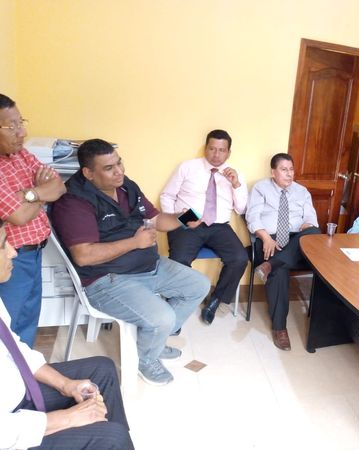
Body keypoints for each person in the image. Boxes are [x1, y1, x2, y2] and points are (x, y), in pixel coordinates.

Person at [51, 139, 211, 386]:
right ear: (88, 173)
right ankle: (144, 360)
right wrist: (135, 243)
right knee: (163, 317)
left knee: (198, 285)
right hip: (107, 280)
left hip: (149, 266)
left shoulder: (126, 186)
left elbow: (155, 220)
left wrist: (183, 217)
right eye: (109, 168)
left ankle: (154, 343)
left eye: (119, 163)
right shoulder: (73, 202)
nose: (119, 171)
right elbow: (84, 255)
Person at [0, 218, 134, 450]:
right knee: (113, 438)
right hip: (10, 431)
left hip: (14, 392)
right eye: (3, 245)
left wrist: (66, 385)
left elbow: (14, 349)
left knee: (102, 369)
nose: (13, 252)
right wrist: (67, 418)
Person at [160, 129, 248, 325]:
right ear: (205, 148)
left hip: (219, 224)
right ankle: (178, 304)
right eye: (212, 149)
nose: (216, 155)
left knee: (239, 258)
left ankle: (215, 300)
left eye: (221, 150)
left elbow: (241, 209)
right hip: (189, 219)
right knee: (179, 259)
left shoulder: (234, 174)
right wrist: (175, 220)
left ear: (228, 153)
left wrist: (236, 184)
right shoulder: (187, 167)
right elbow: (167, 196)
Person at [0, 93, 66, 346]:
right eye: (12, 126)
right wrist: (40, 192)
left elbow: (58, 186)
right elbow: (18, 216)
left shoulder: (21, 155)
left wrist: (29, 195)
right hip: (12, 259)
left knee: (27, 322)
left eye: (21, 122)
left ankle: (26, 368)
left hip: (35, 252)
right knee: (9, 327)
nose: (22, 132)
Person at [246, 153, 320, 350]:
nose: (289, 174)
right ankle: (279, 328)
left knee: (315, 232)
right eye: (284, 170)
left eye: (291, 169)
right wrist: (265, 237)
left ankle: (270, 265)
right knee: (279, 271)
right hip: (269, 240)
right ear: (273, 172)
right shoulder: (261, 188)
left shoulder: (302, 191)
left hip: (296, 240)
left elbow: (311, 218)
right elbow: (252, 217)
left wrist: (308, 225)